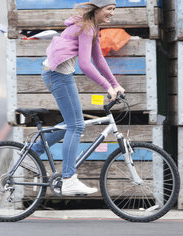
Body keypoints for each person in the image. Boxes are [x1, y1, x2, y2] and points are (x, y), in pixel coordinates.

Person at [31, 0, 125, 196]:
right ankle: (69, 179)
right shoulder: (86, 27)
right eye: (109, 9)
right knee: (77, 126)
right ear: (97, 9)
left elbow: (98, 59)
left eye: (114, 10)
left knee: (72, 123)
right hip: (57, 75)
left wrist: (115, 84)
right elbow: (85, 64)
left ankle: (32, 153)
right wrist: (107, 87)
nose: (112, 13)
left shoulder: (91, 25)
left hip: (57, 73)